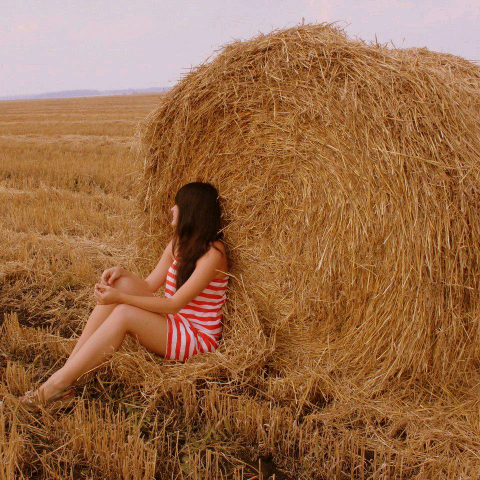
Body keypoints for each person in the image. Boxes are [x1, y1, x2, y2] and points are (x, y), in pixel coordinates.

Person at [19, 182, 229, 409]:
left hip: (196, 337)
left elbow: (174, 304)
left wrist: (119, 298)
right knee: (121, 283)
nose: (172, 208)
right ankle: (66, 373)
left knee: (124, 313)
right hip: (175, 322)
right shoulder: (178, 245)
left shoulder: (213, 254)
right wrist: (123, 273)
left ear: (190, 210)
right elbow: (148, 285)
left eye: (177, 204)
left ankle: (55, 386)